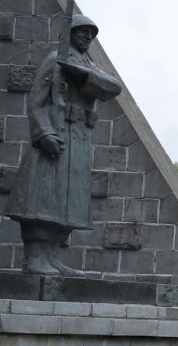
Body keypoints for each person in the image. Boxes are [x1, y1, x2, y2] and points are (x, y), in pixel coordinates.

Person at [6, 14, 122, 276]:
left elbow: (113, 88)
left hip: (79, 139)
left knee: (69, 201)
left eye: (91, 33)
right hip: (56, 135)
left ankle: (54, 258)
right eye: (83, 31)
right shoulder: (53, 60)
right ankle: (34, 259)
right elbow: (36, 101)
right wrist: (43, 133)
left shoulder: (86, 64)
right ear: (70, 32)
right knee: (44, 198)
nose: (88, 37)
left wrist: (80, 73)